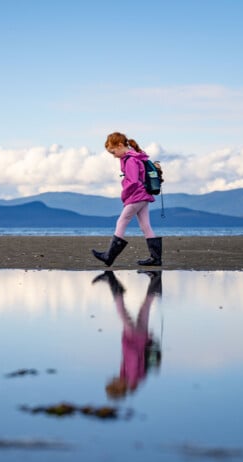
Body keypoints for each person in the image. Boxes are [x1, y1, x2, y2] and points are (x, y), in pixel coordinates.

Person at [92, 132, 162, 267]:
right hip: (143, 195)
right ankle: (155, 258)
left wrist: (124, 195)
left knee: (122, 220)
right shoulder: (135, 158)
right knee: (145, 225)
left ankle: (109, 256)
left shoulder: (130, 160)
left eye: (113, 152)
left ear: (119, 145)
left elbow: (133, 181)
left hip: (136, 195)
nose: (113, 156)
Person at [93, 271, 162, 399]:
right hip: (134, 338)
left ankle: (156, 280)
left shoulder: (132, 378)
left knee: (145, 307)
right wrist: (128, 345)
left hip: (142, 339)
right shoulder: (131, 376)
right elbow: (133, 357)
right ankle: (115, 287)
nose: (113, 379)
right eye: (114, 383)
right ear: (120, 387)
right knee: (122, 311)